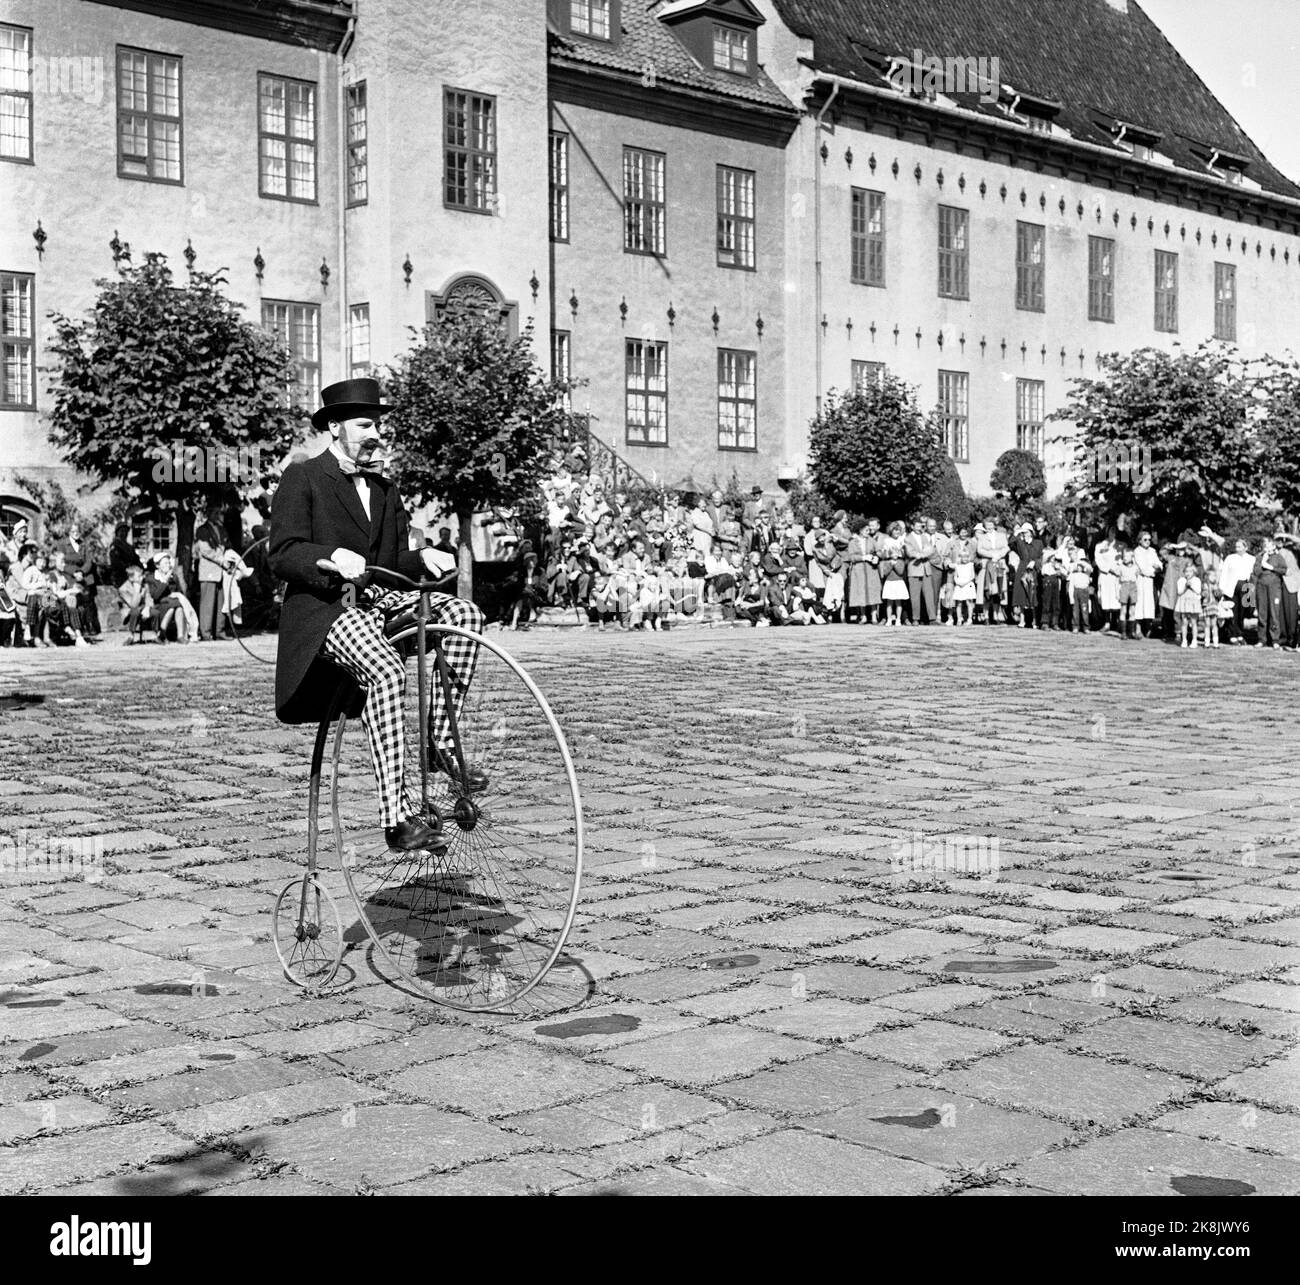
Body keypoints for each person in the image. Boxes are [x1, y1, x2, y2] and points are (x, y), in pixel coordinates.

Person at [269, 377, 485, 855]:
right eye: (365, 424)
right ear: (334, 428)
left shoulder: (385, 488)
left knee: (465, 616)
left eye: (377, 425)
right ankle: (396, 818)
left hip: (380, 602)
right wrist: (328, 557)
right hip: (328, 609)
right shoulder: (303, 477)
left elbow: (388, 562)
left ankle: (440, 744)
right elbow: (282, 553)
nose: (375, 434)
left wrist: (423, 557)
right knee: (385, 669)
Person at [1251, 537, 1287, 649]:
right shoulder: (1259, 557)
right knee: (1262, 613)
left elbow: (1284, 570)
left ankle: (1275, 639)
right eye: (1265, 545)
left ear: (1273, 546)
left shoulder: (1279, 557)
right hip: (1261, 586)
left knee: (1274, 613)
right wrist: (1263, 562)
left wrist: (1271, 567)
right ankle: (1262, 639)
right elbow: (1256, 572)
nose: (1267, 547)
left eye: (1269, 545)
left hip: (1274, 587)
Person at [904, 518, 935, 625]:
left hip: (926, 569)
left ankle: (932, 619)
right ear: (912, 526)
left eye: (921, 526)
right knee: (915, 596)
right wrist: (922, 553)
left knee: (929, 595)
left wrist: (921, 554)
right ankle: (915, 618)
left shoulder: (924, 537)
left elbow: (930, 549)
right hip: (914, 569)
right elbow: (910, 552)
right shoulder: (908, 538)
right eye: (917, 526)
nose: (919, 529)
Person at [1132, 531, 1161, 638]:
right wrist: (1153, 570)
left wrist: (1157, 568)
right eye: (1145, 539)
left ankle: (1148, 629)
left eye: (1149, 540)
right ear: (1140, 540)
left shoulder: (1152, 551)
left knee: (1149, 604)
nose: (1148, 542)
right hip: (1140, 580)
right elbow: (1143, 568)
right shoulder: (1137, 552)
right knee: (1140, 604)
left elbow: (1159, 564)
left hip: (1149, 582)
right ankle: (1138, 629)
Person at [879, 521, 908, 627]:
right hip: (890, 566)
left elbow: (904, 553)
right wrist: (890, 557)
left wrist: (900, 554)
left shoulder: (902, 540)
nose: (897, 532)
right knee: (889, 600)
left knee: (899, 600)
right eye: (895, 530)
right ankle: (888, 619)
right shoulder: (887, 541)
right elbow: (884, 554)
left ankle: (900, 619)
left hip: (900, 565)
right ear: (891, 531)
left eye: (899, 531)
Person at [1094, 528, 1121, 633]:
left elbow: (1123, 558)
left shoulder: (1120, 545)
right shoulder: (1100, 545)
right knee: (1105, 598)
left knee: (1116, 598)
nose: (1112, 534)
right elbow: (1098, 559)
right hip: (1105, 575)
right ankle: (1107, 622)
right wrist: (1109, 569)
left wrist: (1117, 569)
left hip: (1116, 575)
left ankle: (1117, 622)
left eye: (1114, 532)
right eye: (1111, 532)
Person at [1174, 558, 1202, 647]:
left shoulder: (1197, 580)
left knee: (1194, 621)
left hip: (1193, 602)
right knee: (1184, 621)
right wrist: (1186, 586)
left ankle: (1194, 640)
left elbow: (1198, 591)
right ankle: (1184, 640)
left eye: (1190, 572)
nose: (1188, 573)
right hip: (1184, 602)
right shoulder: (1181, 580)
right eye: (1186, 571)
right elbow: (1179, 592)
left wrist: (1191, 585)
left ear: (1193, 572)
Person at [1117, 546, 1139, 640]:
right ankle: (1123, 632)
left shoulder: (1135, 567)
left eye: (1127, 556)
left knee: (1132, 610)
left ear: (1132, 557)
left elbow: (1137, 579)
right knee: (1123, 609)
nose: (1125, 558)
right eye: (1124, 556)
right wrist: (1117, 592)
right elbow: (1117, 581)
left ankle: (1132, 632)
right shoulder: (1120, 567)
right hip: (1124, 586)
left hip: (1133, 586)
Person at [1069, 551, 1094, 634]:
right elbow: (1071, 587)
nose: (1080, 567)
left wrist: (1082, 562)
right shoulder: (1074, 575)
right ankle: (1075, 626)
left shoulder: (1087, 574)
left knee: (1084, 610)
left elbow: (1090, 568)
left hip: (1084, 592)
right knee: (1075, 611)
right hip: (1076, 592)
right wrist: (1071, 598)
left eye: (1081, 566)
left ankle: (1086, 627)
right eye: (1078, 566)